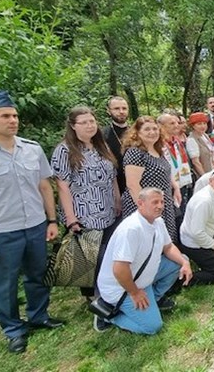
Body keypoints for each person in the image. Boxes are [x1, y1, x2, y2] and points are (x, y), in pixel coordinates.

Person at [0, 90, 63, 353]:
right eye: (6, 116)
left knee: (39, 275)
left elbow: (43, 186)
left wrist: (51, 220)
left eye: (15, 115)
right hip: (0, 231)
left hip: (35, 226)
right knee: (4, 284)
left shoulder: (32, 148)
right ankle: (14, 329)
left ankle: (39, 316)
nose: (13, 120)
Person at [94, 187, 192, 334]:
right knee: (153, 327)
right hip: (122, 287)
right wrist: (134, 293)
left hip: (141, 277)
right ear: (140, 203)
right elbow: (119, 269)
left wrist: (185, 263)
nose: (160, 206)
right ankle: (108, 316)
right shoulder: (131, 229)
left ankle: (154, 298)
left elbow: (168, 247)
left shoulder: (158, 222)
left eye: (162, 202)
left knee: (180, 260)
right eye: (155, 202)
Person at [51, 106, 120, 298]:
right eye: (84, 122)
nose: (90, 126)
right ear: (73, 126)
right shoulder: (64, 150)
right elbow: (62, 186)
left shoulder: (101, 145)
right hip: (84, 213)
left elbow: (112, 175)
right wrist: (71, 218)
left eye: (92, 121)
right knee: (90, 258)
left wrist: (117, 199)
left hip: (107, 209)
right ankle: (92, 297)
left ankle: (109, 292)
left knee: (108, 254)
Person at [121, 116, 181, 242]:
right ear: (137, 133)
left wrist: (175, 187)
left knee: (164, 240)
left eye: (155, 129)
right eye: (147, 129)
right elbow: (132, 184)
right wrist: (146, 209)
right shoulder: (135, 153)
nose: (152, 132)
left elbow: (166, 172)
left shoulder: (158, 150)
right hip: (145, 206)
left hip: (162, 202)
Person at [179, 169, 214, 286]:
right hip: (193, 243)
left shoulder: (211, 194)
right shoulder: (205, 201)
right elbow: (197, 233)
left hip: (200, 237)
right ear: (211, 181)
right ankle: (183, 279)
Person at [158, 113, 193, 213]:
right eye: (172, 123)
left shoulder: (177, 141)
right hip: (168, 185)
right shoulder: (159, 143)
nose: (176, 125)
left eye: (177, 122)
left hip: (182, 182)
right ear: (161, 126)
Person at [103, 96, 130, 193]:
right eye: (116, 109)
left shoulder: (136, 132)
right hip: (114, 184)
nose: (121, 111)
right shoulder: (103, 135)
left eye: (124, 108)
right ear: (109, 111)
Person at [186, 112, 214, 177]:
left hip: (212, 172)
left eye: (204, 123)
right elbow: (196, 162)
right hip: (204, 176)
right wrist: (205, 177)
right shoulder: (192, 140)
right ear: (193, 126)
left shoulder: (205, 135)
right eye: (199, 124)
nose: (203, 126)